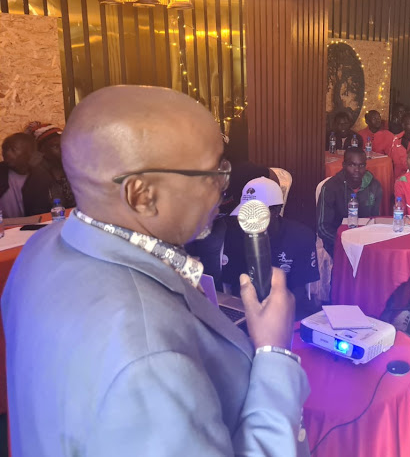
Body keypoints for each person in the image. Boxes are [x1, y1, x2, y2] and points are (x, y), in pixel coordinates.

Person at [2, 86, 308, 456]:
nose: (223, 189)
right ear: (141, 195)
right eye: (211, 173)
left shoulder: (41, 247)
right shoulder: (148, 361)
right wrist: (273, 353)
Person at [223, 178, 319, 305]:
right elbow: (232, 284)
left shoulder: (300, 237)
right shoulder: (234, 235)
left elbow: (300, 289)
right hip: (245, 307)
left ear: (276, 211)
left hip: (287, 308)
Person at [317, 147, 382, 256]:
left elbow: (375, 219)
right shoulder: (330, 188)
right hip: (337, 242)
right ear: (343, 166)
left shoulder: (374, 186)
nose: (357, 169)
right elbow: (323, 227)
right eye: (352, 165)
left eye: (361, 165)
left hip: (365, 242)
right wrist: (344, 242)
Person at [23, 125, 76, 214]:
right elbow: (37, 215)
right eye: (55, 146)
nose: (63, 149)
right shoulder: (38, 176)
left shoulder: (74, 169)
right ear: (42, 151)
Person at [0, 133, 37, 217]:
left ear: (29, 152)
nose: (6, 153)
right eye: (5, 149)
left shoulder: (40, 175)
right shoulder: (2, 174)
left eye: (13, 149)